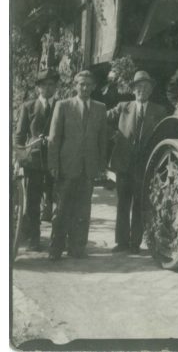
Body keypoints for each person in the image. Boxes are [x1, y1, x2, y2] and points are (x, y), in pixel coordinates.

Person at [47, 71, 108, 260]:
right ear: (75, 85)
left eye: (89, 84)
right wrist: (53, 164)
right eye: (82, 84)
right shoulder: (63, 106)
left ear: (94, 87)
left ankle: (77, 249)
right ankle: (55, 250)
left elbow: (102, 140)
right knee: (62, 211)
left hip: (88, 167)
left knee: (83, 210)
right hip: (67, 166)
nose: (85, 88)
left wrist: (101, 165)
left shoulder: (100, 108)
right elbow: (54, 138)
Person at [107, 71, 167, 254]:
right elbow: (102, 119)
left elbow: (164, 133)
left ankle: (135, 243)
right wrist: (113, 136)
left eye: (146, 87)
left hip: (145, 165)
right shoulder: (123, 107)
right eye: (139, 87)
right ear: (133, 90)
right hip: (124, 163)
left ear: (150, 90)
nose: (142, 90)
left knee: (140, 204)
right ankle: (122, 242)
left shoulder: (159, 111)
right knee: (123, 203)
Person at [14, 69, 60, 250]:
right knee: (32, 202)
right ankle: (34, 238)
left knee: (56, 201)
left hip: (55, 161)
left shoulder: (61, 105)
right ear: (38, 88)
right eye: (44, 85)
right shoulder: (29, 107)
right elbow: (19, 136)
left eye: (51, 85)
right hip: (34, 161)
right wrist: (19, 157)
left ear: (56, 87)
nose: (47, 89)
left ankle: (57, 241)